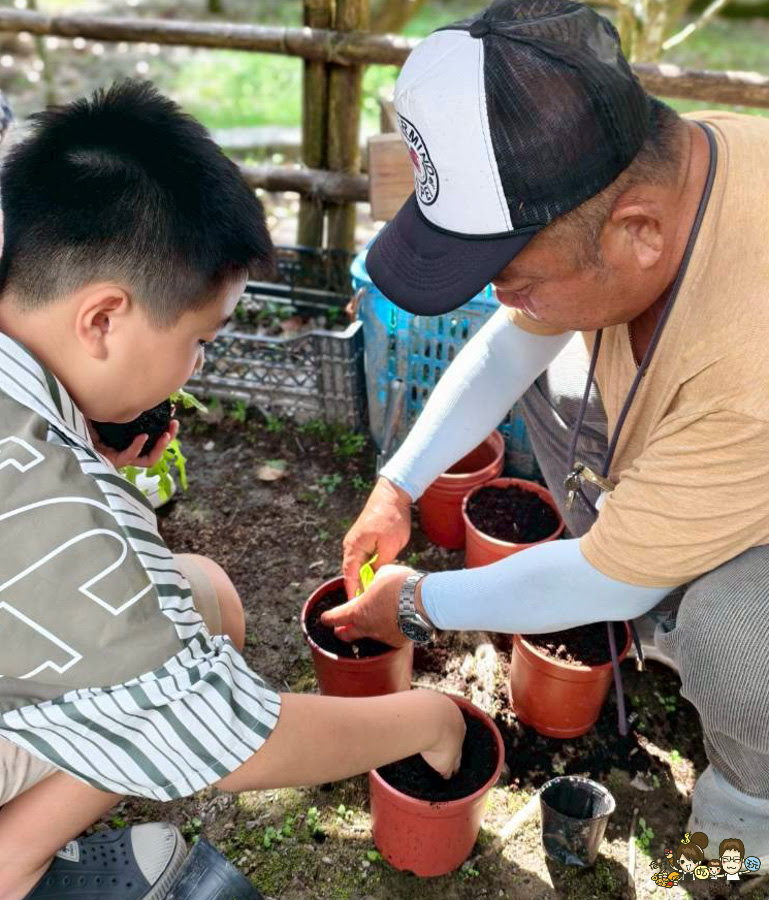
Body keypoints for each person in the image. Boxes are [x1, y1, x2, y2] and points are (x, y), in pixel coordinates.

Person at [323, 0, 769, 865]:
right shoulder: (656, 178)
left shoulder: (746, 356)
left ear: (636, 232)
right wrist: (397, 484)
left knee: (733, 638)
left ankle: (746, 812)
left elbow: (608, 583)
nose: (501, 298)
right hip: (721, 444)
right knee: (553, 367)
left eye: (514, 278)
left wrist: (415, 604)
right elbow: (511, 345)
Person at [0, 81, 466, 900]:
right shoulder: (57, 499)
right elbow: (235, 743)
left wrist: (79, 427)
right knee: (158, 689)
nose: (196, 370)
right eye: (199, 341)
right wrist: (429, 718)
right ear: (103, 319)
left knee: (205, 594)